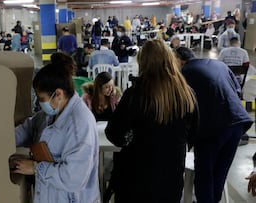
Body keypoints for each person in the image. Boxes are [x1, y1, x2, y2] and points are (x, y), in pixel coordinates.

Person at [105, 39, 199, 202]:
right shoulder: (187, 94)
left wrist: (132, 137)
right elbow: (193, 134)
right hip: (172, 178)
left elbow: (114, 134)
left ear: (143, 63)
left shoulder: (135, 94)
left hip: (136, 179)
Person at [11, 56, 100, 203]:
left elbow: (73, 178)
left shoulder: (80, 124)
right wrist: (3, 140)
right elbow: (29, 128)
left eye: (42, 98)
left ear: (58, 94)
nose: (40, 103)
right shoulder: (50, 114)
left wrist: (35, 168)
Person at [175, 47, 253, 203]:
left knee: (205, 176)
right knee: (219, 173)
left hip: (212, 128)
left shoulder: (184, 73)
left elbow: (180, 107)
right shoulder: (219, 64)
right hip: (238, 123)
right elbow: (237, 90)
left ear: (180, 61)